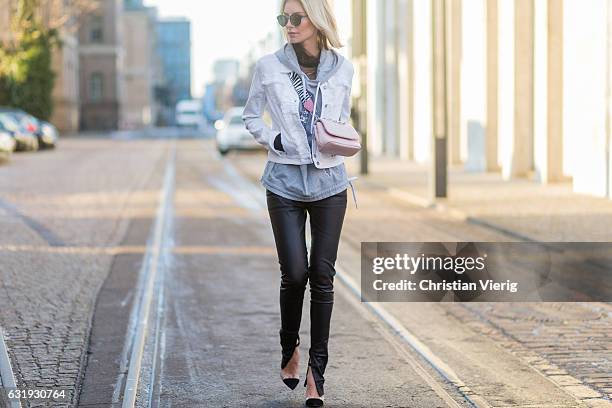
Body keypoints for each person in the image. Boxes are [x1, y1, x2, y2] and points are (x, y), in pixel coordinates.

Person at [242, 0, 357, 406]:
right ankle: (289, 346)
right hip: (284, 183)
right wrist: (273, 140)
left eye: (296, 18)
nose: (288, 25)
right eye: (283, 19)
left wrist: (345, 137)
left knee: (322, 277)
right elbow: (251, 116)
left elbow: (341, 117)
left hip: (330, 184)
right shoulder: (269, 67)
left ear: (317, 20)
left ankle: (316, 373)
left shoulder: (343, 68)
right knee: (294, 273)